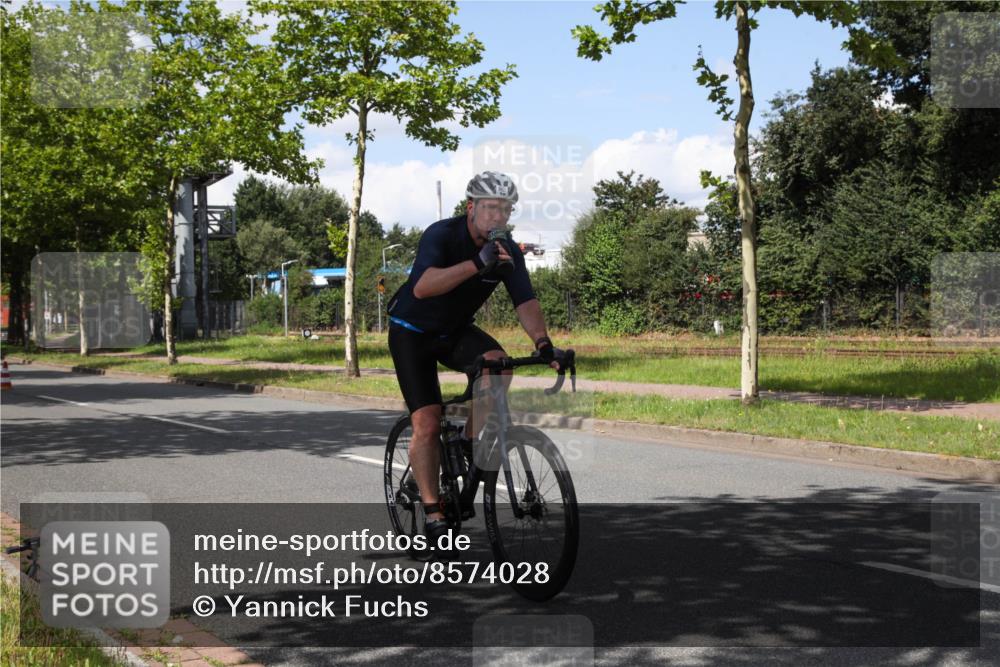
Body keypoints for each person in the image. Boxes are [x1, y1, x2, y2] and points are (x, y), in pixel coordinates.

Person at [386, 170, 564, 544]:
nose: (499, 217)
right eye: (491, 209)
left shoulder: (508, 251)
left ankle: (466, 439)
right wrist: (475, 263)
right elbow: (422, 287)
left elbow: (526, 301)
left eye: (506, 209)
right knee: (428, 425)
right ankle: (434, 513)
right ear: (471, 208)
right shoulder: (441, 234)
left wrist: (543, 343)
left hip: (453, 331)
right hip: (411, 332)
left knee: (498, 367)